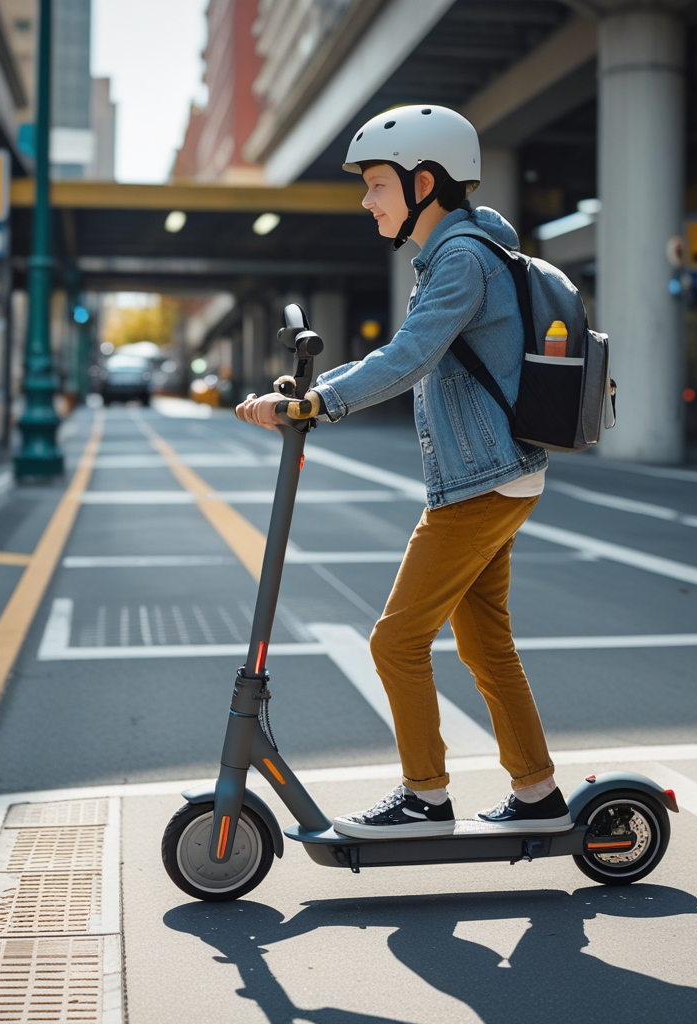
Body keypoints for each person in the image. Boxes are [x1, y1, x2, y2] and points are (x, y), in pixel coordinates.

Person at [235, 104, 570, 839]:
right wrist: (308, 395)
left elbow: (409, 358)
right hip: (499, 472)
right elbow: (403, 349)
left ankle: (425, 798)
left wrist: (322, 400)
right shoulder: (463, 252)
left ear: (425, 182)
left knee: (394, 642)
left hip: (483, 480)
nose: (367, 200)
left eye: (377, 184)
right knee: (486, 643)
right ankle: (538, 793)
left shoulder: (461, 259)